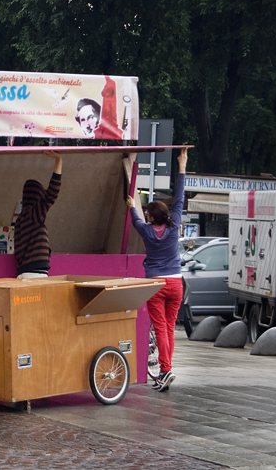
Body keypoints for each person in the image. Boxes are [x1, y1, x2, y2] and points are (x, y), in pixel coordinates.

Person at [126, 148, 188, 392]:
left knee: (160, 327)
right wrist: (181, 166)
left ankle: (165, 370)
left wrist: (132, 205)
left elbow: (135, 220)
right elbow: (180, 197)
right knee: (170, 328)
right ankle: (166, 369)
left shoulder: (147, 231)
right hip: (176, 283)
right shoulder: (174, 227)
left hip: (156, 284)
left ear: (152, 218)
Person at [14, 151, 62, 279]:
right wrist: (59, 160)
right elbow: (52, 193)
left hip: (23, 273)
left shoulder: (20, 220)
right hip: (35, 273)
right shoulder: (34, 215)